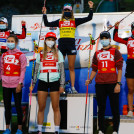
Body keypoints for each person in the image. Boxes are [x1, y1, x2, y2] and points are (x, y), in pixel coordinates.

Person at [42, 1, 94, 93]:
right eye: (65, 10)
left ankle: (73, 87)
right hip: (62, 44)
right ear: (63, 11)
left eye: (68, 10)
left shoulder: (75, 21)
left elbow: (89, 18)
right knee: (60, 67)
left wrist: (91, 8)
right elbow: (47, 24)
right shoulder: (59, 21)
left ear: (71, 11)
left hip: (71, 44)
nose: (67, 11)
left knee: (71, 67)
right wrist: (45, 14)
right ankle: (60, 85)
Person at [85, 31, 123, 134]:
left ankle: (115, 129)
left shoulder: (115, 51)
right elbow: (94, 69)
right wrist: (90, 79)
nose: (104, 40)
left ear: (110, 39)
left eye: (106, 38)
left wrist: (118, 83)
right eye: (102, 38)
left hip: (112, 83)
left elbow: (119, 69)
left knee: (115, 108)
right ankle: (101, 129)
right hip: (100, 84)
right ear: (100, 40)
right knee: (101, 108)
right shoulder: (97, 53)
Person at [33, 32, 65, 134]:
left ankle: (56, 130)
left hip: (54, 81)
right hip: (42, 81)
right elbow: (36, 69)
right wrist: (33, 83)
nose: (50, 41)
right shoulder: (41, 53)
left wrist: (62, 85)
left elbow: (62, 70)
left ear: (55, 41)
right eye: (48, 39)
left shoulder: (58, 53)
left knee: (55, 107)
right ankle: (39, 130)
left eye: (52, 39)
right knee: (41, 107)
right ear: (45, 40)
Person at [1, 34, 27, 134]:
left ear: (16, 43)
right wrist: (1, 79)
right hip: (5, 84)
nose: (10, 43)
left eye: (12, 41)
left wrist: (20, 83)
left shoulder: (21, 55)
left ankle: (19, 129)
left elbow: (23, 70)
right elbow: (2, 69)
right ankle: (7, 128)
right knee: (7, 107)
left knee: (18, 106)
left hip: (16, 84)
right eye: (8, 41)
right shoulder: (4, 55)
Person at [113, 21, 134, 117]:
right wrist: (116, 28)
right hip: (130, 64)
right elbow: (115, 38)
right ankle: (130, 110)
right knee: (130, 89)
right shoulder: (128, 39)